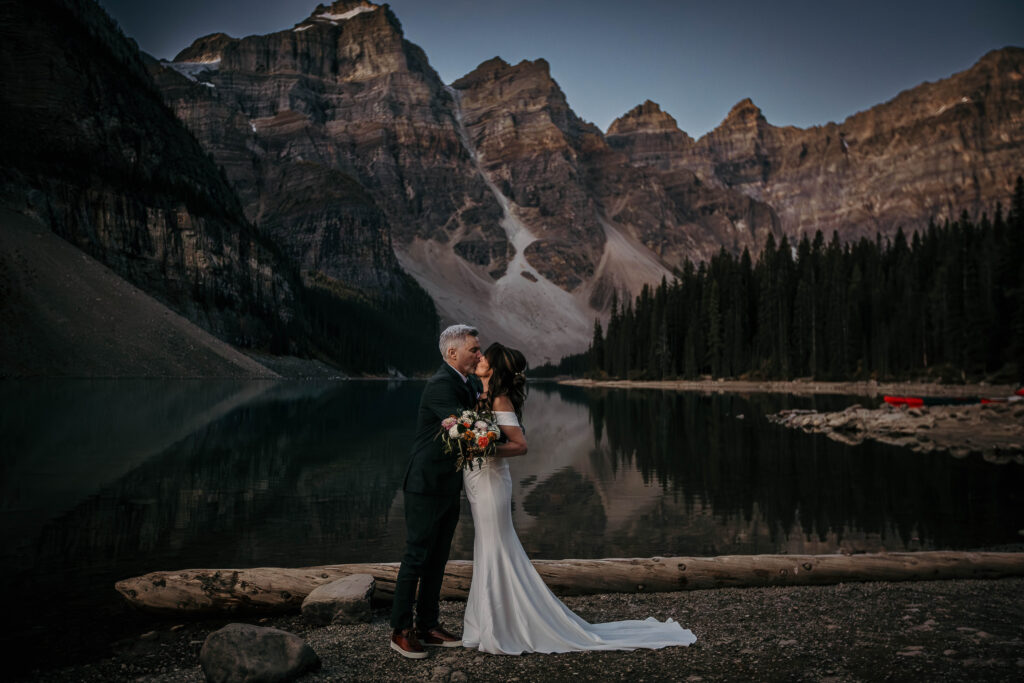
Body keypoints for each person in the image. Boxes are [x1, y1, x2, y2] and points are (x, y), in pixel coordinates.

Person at [462, 342, 697, 654]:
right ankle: (485, 623)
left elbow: (520, 445)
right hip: (477, 480)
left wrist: (484, 448)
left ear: (495, 368)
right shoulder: (481, 395)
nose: (479, 359)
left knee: (496, 547)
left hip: (492, 482)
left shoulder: (500, 399)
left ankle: (502, 626)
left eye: (485, 357)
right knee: (486, 546)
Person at [390, 324, 483, 659]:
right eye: (474, 349)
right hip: (425, 484)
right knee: (416, 556)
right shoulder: (440, 385)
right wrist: (506, 435)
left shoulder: (469, 383)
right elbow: (466, 428)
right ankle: (400, 631)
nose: (479, 355)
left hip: (448, 483)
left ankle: (428, 625)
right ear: (452, 353)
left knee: (438, 557)